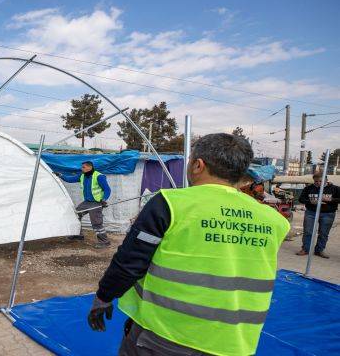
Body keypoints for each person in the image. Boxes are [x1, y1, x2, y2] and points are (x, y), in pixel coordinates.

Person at [87, 133, 290, 356]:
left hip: (167, 336)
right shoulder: (274, 220)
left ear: (197, 165)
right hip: (235, 342)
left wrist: (104, 297)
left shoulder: (170, 204)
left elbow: (129, 263)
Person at [56, 161, 112, 248]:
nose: (81, 169)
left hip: (96, 203)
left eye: (83, 167)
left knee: (96, 223)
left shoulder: (99, 176)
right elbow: (70, 180)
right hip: (87, 202)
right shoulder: (82, 175)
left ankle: (104, 241)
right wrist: (61, 175)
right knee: (75, 215)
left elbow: (107, 189)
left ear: (89, 167)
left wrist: (104, 199)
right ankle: (78, 234)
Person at [296, 172, 340, 258]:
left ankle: (319, 250)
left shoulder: (334, 189)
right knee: (308, 231)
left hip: (328, 214)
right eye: (316, 181)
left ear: (326, 180)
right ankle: (305, 249)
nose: (318, 183)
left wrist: (330, 199)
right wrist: (310, 202)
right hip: (311, 213)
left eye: (321, 181)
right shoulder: (308, 188)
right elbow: (301, 199)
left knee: (323, 233)